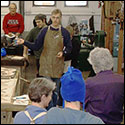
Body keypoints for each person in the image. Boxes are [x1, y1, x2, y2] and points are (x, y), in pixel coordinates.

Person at [17, 9, 72, 107]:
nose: (55, 20)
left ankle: (54, 108)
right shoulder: (44, 31)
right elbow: (36, 46)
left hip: (57, 64)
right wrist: (24, 42)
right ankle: (48, 110)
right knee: (48, 89)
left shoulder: (64, 32)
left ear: (60, 18)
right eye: (54, 17)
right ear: (51, 17)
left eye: (57, 18)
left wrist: (63, 52)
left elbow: (69, 47)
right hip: (45, 63)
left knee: (56, 89)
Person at [85, 47, 124, 124]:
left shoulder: (90, 83)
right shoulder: (121, 80)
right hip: (116, 121)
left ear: (94, 65)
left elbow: (82, 102)